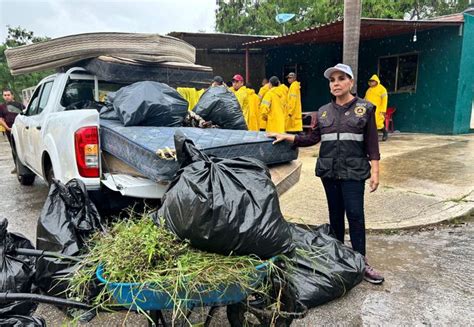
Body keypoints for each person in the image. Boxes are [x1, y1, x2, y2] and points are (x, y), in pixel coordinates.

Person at [268, 64, 384, 284]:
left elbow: (372, 144)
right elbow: (312, 138)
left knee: (356, 216)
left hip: (353, 172)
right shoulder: (323, 111)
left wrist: (375, 172)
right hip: (329, 172)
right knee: (335, 216)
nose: (336, 83)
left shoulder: (365, 108)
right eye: (332, 80)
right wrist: (288, 137)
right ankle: (339, 257)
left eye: (341, 78)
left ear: (350, 82)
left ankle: (360, 261)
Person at [0, 88, 25, 174]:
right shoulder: (2, 107)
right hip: (9, 130)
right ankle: (17, 166)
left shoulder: (20, 105)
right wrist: (7, 128)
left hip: (20, 129)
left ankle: (25, 165)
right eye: (5, 95)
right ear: (3, 96)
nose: (7, 97)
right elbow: (1, 119)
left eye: (8, 95)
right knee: (13, 148)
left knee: (22, 147)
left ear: (12, 95)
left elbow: (25, 115)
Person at [364, 74, 389, 141]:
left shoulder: (382, 89)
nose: (371, 83)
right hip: (369, 109)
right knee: (370, 123)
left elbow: (385, 100)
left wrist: (383, 110)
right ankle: (372, 137)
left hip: (379, 109)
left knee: (378, 123)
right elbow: (365, 99)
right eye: (370, 81)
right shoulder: (368, 90)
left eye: (373, 81)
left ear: (376, 81)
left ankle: (385, 132)